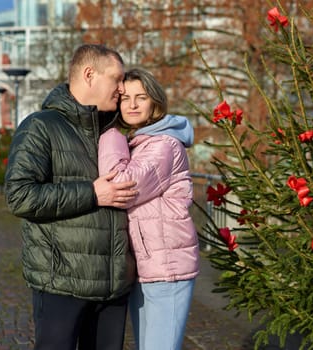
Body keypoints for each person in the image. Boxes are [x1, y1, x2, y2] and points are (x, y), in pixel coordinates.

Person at [4, 44, 139, 350]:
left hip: (112, 287)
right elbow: (19, 195)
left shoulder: (113, 132)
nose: (122, 88)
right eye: (116, 79)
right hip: (61, 284)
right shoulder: (40, 126)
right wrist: (92, 193)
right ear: (89, 74)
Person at [98, 68, 199, 350]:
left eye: (140, 97)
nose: (131, 105)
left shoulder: (163, 145)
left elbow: (120, 187)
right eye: (125, 97)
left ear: (154, 102)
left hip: (167, 269)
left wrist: (110, 136)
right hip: (148, 267)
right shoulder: (141, 143)